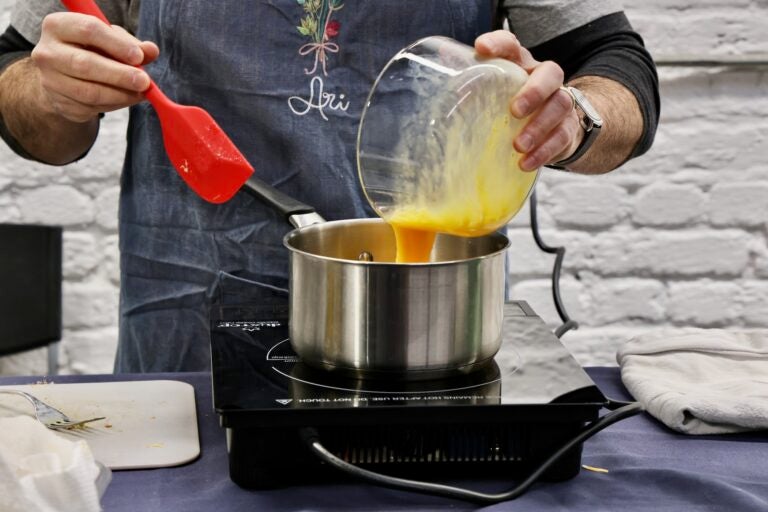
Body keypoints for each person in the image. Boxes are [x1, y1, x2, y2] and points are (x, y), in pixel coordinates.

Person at [0, 0, 659, 373]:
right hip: (188, 323)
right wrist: (52, 92)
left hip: (424, 324)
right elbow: (18, 86)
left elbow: (618, 66)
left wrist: (576, 116)